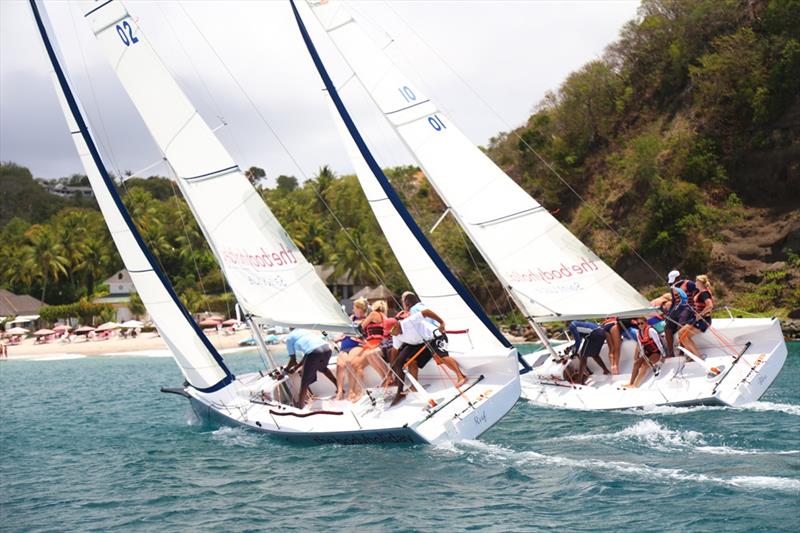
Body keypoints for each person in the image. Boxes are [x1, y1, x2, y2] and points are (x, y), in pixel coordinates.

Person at [388, 306, 467, 405]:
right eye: (390, 333)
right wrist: (391, 371)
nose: (393, 334)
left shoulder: (409, 322)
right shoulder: (395, 335)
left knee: (440, 355)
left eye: (392, 331)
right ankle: (414, 385)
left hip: (436, 336)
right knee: (411, 361)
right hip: (425, 343)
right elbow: (394, 351)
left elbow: (426, 312)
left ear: (397, 325)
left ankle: (461, 376)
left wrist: (442, 323)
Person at [284, 328, 337, 408]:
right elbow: (307, 354)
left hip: (314, 353)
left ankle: (300, 406)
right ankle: (340, 389)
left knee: (304, 383)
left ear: (289, 329)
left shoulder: (289, 339)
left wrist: (286, 370)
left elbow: (293, 360)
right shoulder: (304, 331)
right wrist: (296, 368)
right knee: (323, 369)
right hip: (327, 349)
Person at [678, 274, 715, 361]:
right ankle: (692, 355)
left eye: (697, 281)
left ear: (701, 283)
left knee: (683, 336)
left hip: (703, 320)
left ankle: (697, 357)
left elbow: (710, 306)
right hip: (697, 319)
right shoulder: (700, 292)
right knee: (681, 334)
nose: (695, 283)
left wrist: (701, 314)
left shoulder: (704, 293)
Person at [662, 270, 697, 357]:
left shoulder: (689, 284)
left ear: (678, 277)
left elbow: (698, 293)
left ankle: (683, 351)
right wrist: (669, 314)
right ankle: (671, 353)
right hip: (677, 309)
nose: (672, 283)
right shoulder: (673, 288)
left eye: (674, 280)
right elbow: (674, 302)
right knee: (667, 328)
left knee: (680, 325)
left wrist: (697, 308)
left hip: (688, 308)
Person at [624, 318, 667, 388]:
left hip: (657, 353)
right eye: (638, 324)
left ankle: (635, 385)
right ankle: (630, 383)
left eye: (642, 323)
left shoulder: (651, 331)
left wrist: (663, 355)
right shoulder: (638, 333)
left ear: (646, 323)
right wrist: (643, 356)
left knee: (645, 365)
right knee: (636, 364)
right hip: (648, 353)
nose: (640, 325)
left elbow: (658, 343)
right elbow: (641, 346)